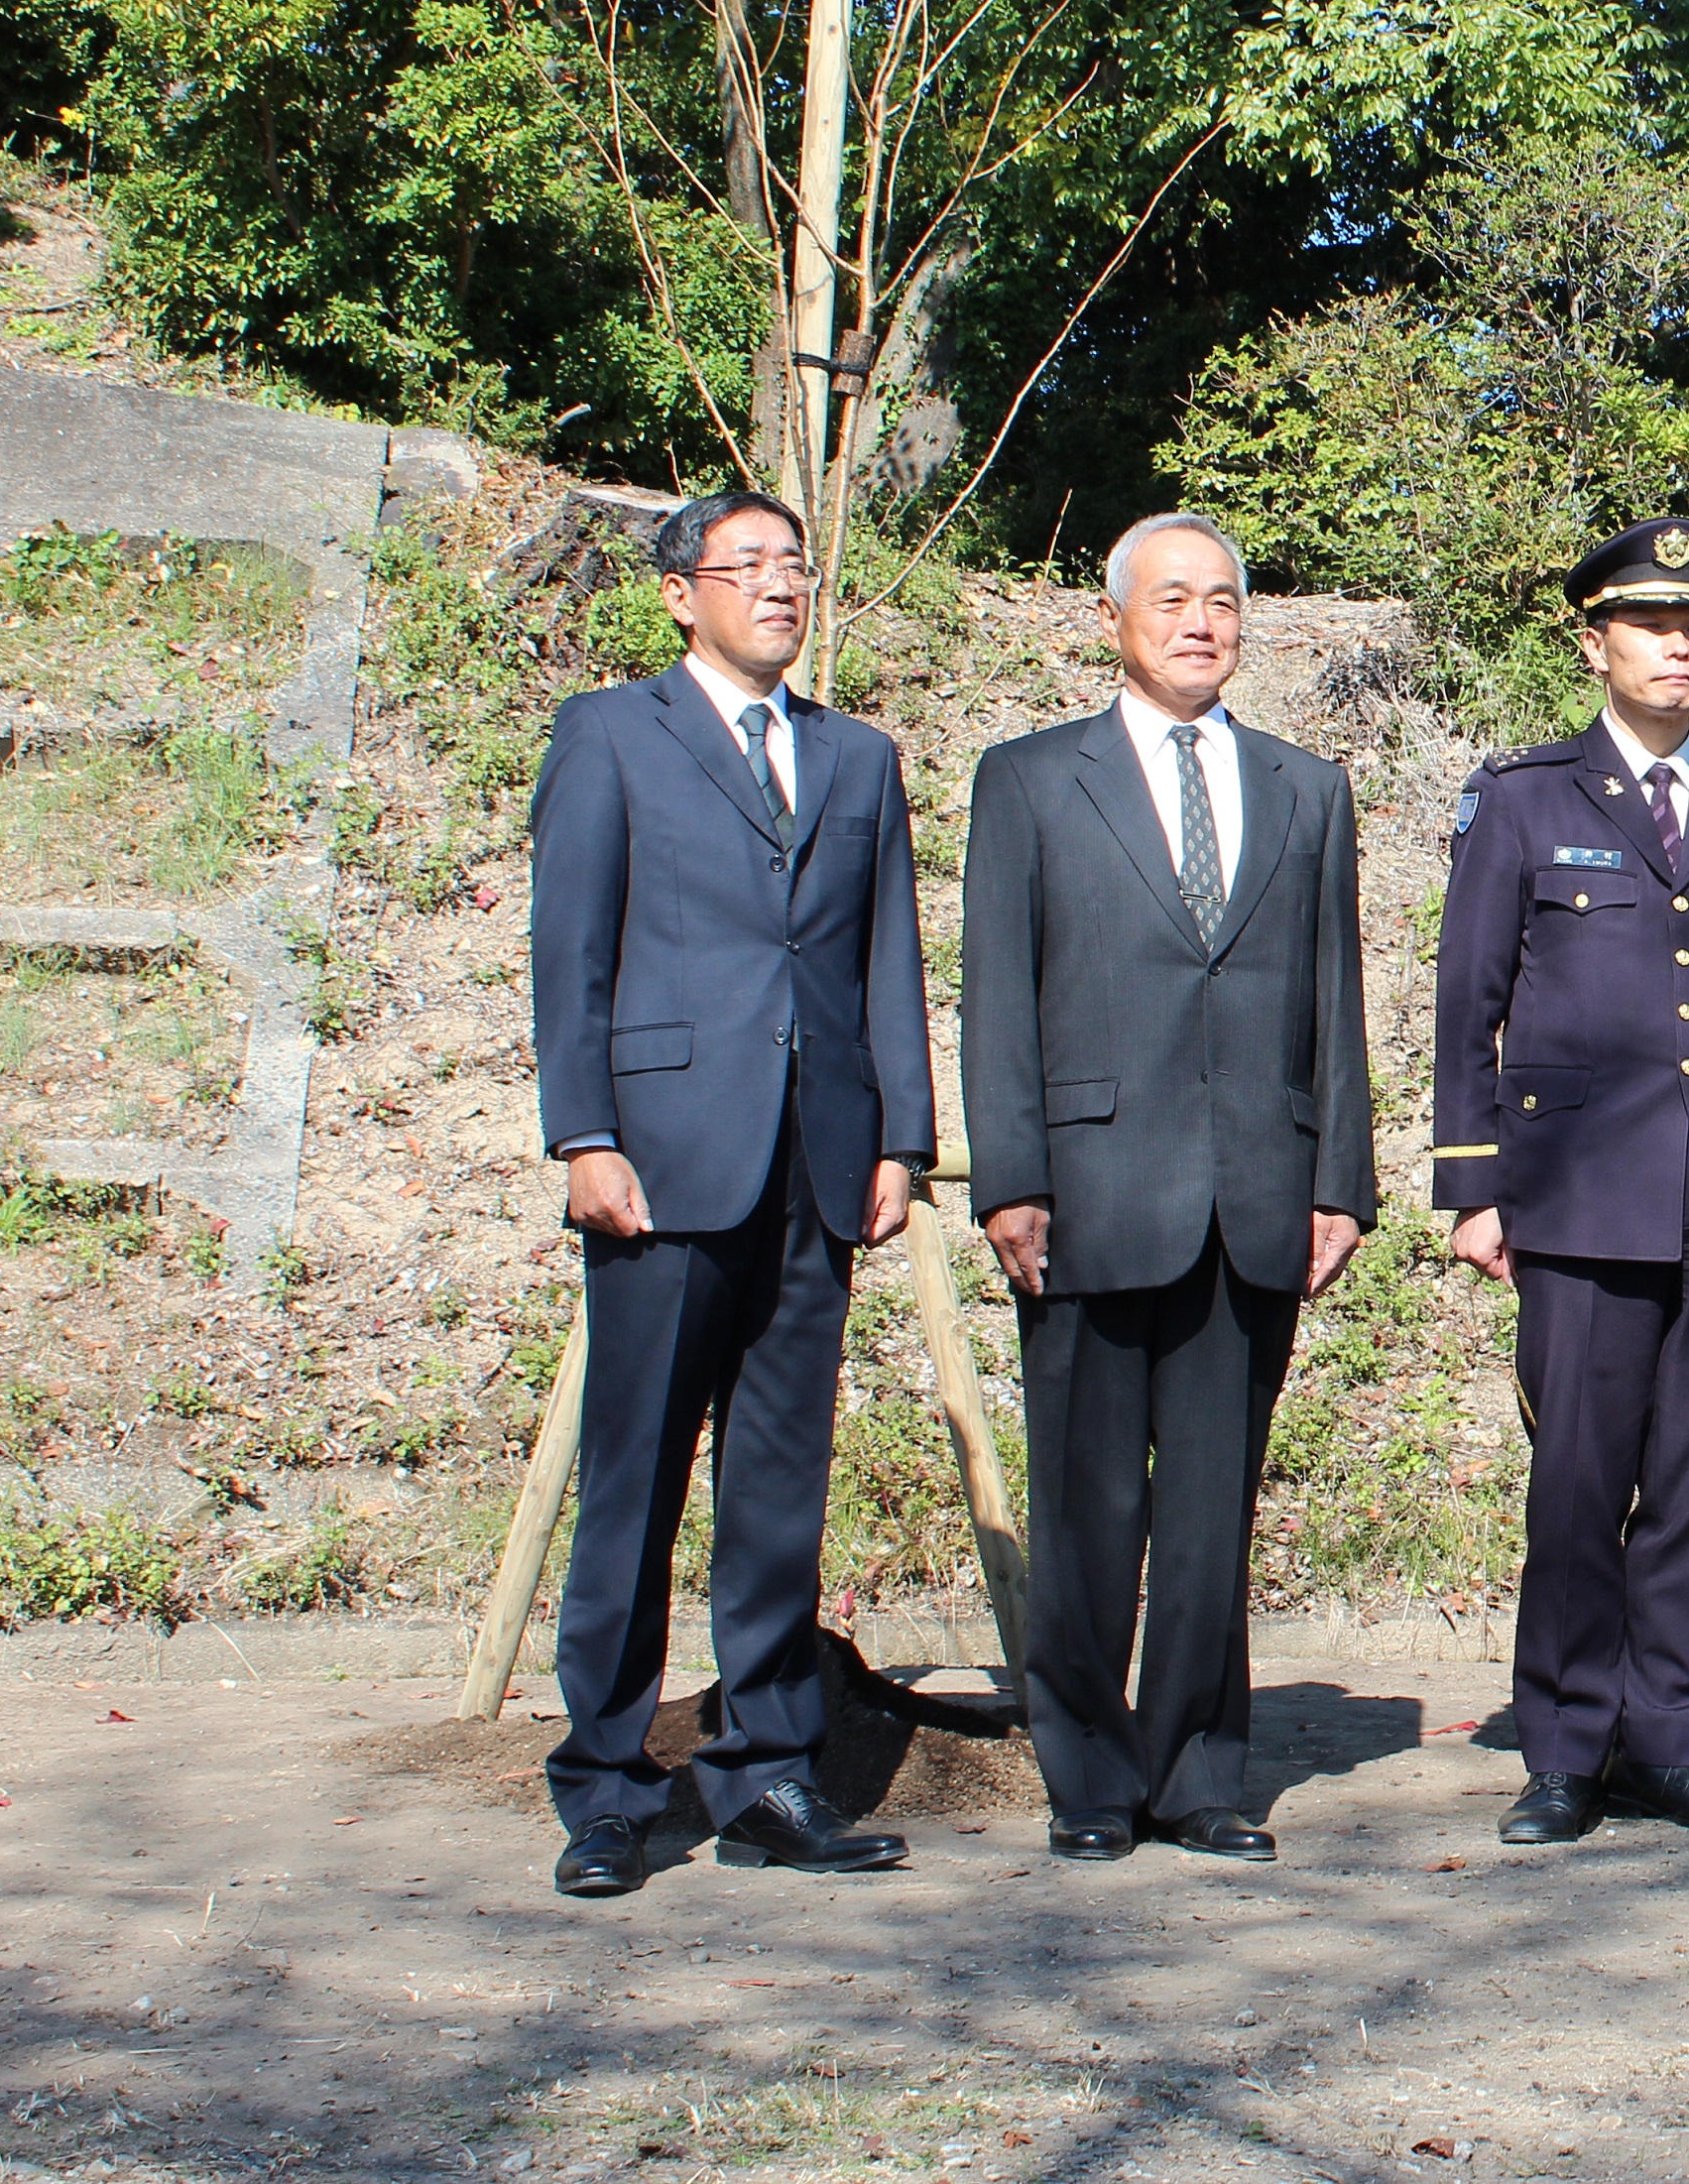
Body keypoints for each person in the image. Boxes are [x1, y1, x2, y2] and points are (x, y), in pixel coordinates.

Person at [527, 489, 931, 1899]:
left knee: (778, 1486)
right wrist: (583, 1133)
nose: (778, 585)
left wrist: (902, 1139)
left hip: (818, 1164)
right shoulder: (610, 734)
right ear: (679, 594)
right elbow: (569, 947)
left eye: (794, 564)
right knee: (633, 1479)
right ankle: (605, 1781)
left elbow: (888, 959)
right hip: (662, 1159)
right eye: (746, 565)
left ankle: (766, 1766)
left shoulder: (856, 757)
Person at [960, 512, 1376, 1867]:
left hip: (1252, 1195)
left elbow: (1335, 998)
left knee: (1210, 1514)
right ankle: (1087, 1774)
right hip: (1085, 1191)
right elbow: (996, 998)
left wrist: (1340, 1184)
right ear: (1115, 619)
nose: (1201, 621)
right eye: (1173, 598)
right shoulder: (1029, 782)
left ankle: (1199, 1769)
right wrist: (1010, 1176)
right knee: (1087, 1509)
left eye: (1223, 601)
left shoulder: (1306, 789)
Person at [1430, 520, 1689, 1846]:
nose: (1681, 645)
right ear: (1594, 640)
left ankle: (1667, 1737)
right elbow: (1468, 1001)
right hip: (1578, 1194)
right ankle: (1561, 1747)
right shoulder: (1528, 797)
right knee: (1579, 1481)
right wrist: (1473, 1185)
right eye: (1655, 624)